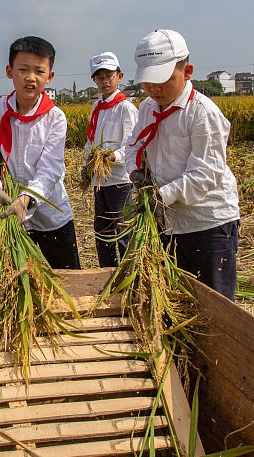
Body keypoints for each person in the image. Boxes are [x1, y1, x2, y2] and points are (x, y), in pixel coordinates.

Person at [125, 29, 241, 301]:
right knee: (175, 300)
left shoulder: (201, 112)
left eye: (162, 80)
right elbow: (133, 145)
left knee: (214, 305)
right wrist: (136, 172)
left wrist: (162, 195)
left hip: (208, 222)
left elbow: (206, 173)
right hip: (169, 222)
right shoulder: (147, 108)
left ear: (187, 71)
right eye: (147, 82)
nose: (153, 89)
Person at [0, 36, 79, 270]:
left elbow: (51, 168)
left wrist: (26, 199)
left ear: (50, 76)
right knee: (15, 283)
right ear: (10, 71)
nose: (30, 77)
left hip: (51, 211)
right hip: (9, 212)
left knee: (67, 279)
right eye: (23, 69)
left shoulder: (55, 117)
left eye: (39, 71)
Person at [80, 52, 138, 268]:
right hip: (99, 181)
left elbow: (133, 146)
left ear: (119, 76)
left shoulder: (126, 108)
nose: (104, 81)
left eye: (109, 76)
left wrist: (112, 156)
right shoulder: (97, 107)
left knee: (123, 231)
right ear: (94, 80)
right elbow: (90, 140)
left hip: (119, 181)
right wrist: (87, 165)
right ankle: (107, 271)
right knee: (102, 230)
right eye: (99, 78)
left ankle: (128, 273)